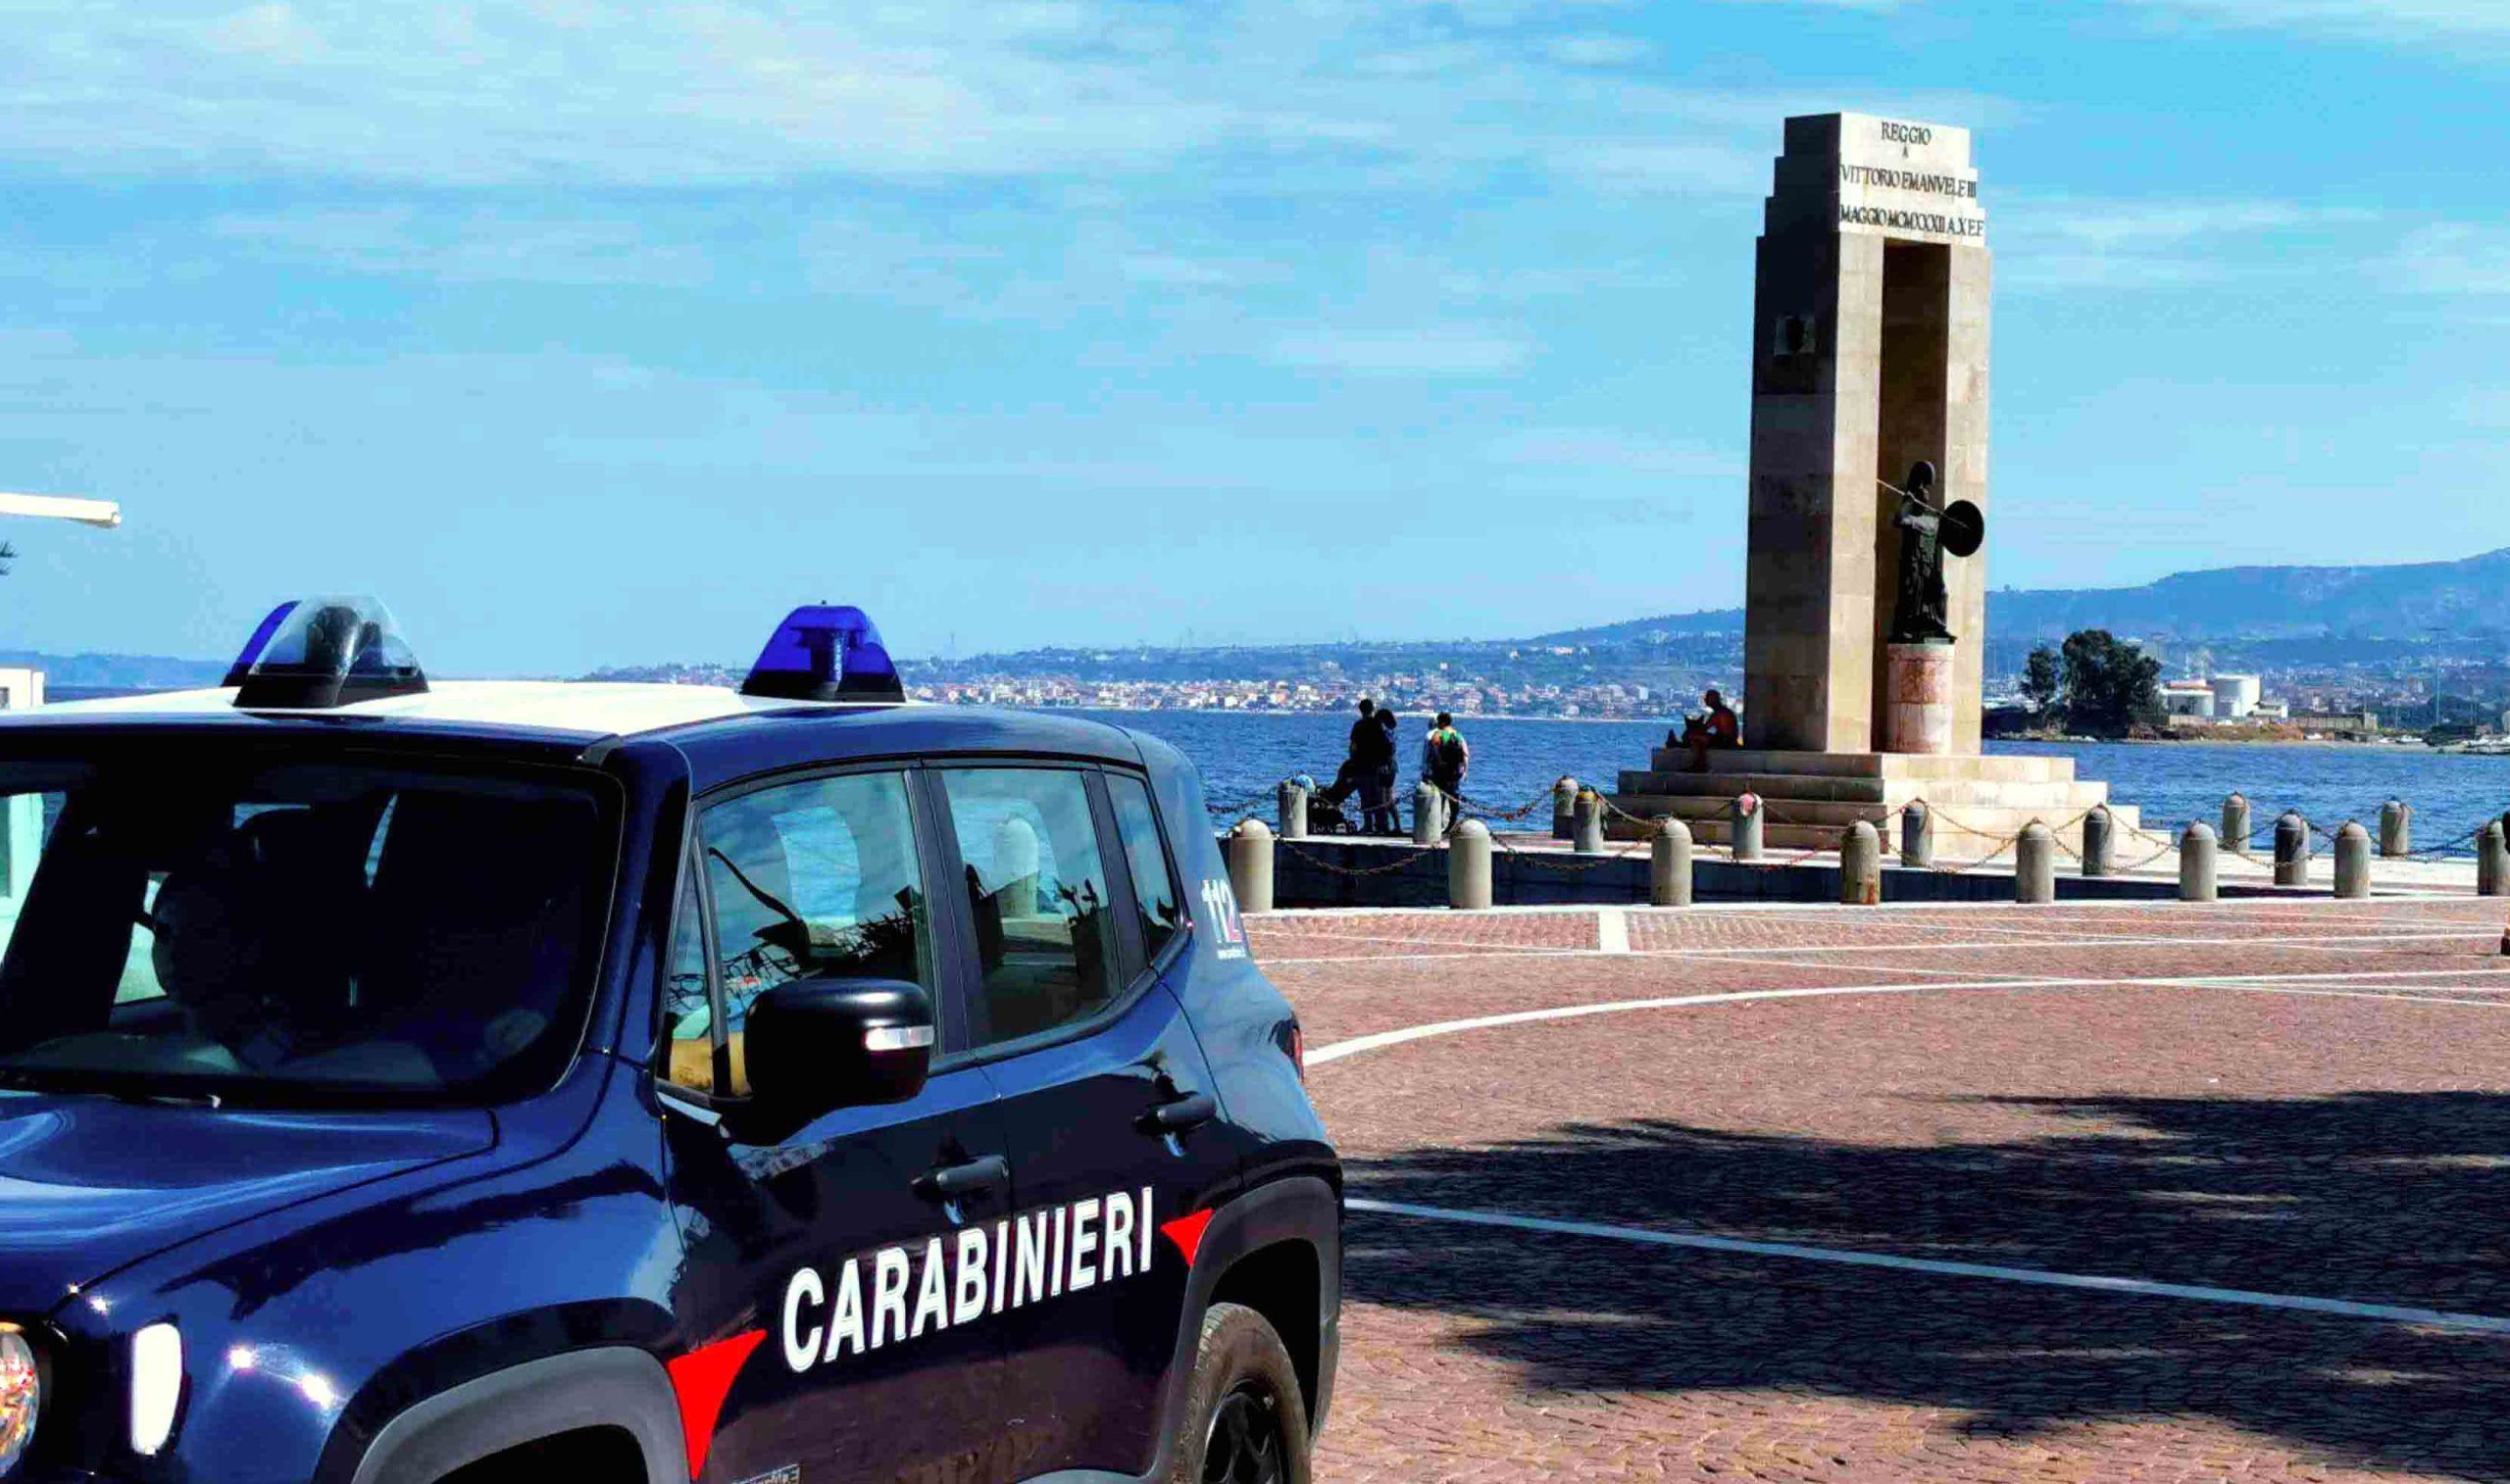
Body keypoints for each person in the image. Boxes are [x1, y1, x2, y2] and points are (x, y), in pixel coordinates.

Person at [1423, 712, 1470, 823]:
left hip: (1441, 772)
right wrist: (1465, 771)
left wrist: (1438, 762)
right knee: (1454, 796)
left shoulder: (1438, 734)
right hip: (1455, 772)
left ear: (1443, 722)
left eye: (1438, 722)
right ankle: (1452, 821)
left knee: (1439, 797)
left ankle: (1437, 822)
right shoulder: (1458, 735)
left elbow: (1433, 751)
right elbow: (1465, 754)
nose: (1437, 724)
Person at [1366, 707, 1400, 835]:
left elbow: (1388, 750)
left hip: (1385, 768)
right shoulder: (1390, 732)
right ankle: (1391, 825)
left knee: (1383, 798)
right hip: (1390, 768)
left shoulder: (1384, 733)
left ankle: (1384, 826)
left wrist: (1382, 762)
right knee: (1387, 799)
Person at [1686, 689, 1739, 772]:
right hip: (1727, 740)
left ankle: (1699, 765)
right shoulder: (1723, 711)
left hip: (1726, 742)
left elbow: (1703, 729)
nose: (1705, 700)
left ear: (1713, 699)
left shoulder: (1719, 713)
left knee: (1696, 738)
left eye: (1707, 698)